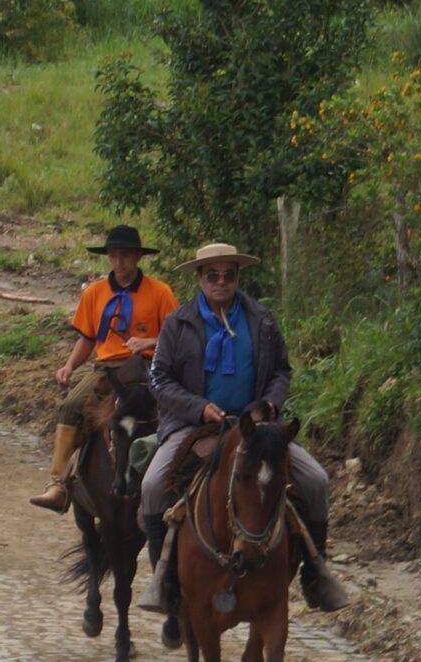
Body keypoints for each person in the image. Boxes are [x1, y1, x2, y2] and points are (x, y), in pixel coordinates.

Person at [135, 243, 347, 615]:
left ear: (237, 277)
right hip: (194, 426)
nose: (220, 282)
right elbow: (160, 379)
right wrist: (199, 408)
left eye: (228, 275)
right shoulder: (178, 323)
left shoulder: (261, 320)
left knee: (315, 480)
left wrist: (269, 405)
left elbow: (282, 370)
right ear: (199, 279)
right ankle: (164, 580)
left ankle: (316, 572)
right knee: (152, 486)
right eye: (212, 275)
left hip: (256, 427)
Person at [34, 226, 175, 512]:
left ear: (138, 257)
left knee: (176, 409)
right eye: (113, 256)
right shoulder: (95, 293)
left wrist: (148, 340)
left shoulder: (160, 292)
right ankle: (58, 484)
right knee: (70, 405)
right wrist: (70, 365)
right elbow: (87, 337)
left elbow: (176, 336)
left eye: (125, 256)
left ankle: (177, 480)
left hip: (147, 366)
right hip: (106, 368)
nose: (119, 262)